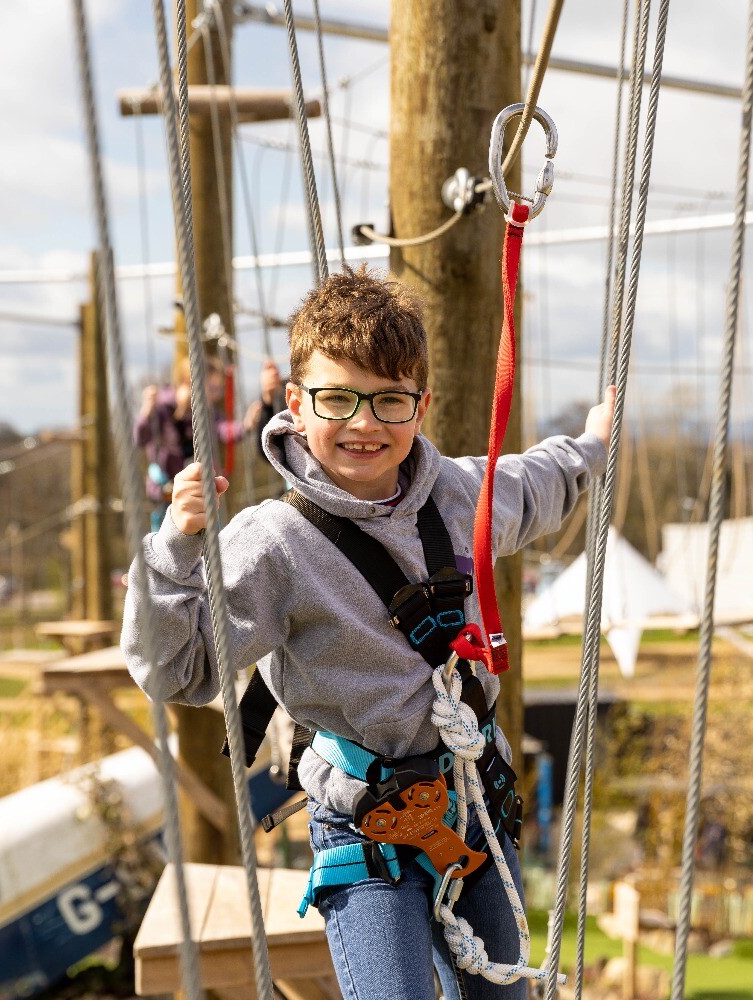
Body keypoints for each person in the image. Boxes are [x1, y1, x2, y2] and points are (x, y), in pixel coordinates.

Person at [122, 266, 614, 1000]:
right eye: (338, 399)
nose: (364, 423)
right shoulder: (274, 546)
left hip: (474, 801)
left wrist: (595, 445)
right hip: (367, 824)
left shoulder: (456, 495)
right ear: (295, 403)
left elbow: (539, 483)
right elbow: (178, 670)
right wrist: (173, 549)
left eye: (390, 401)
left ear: (422, 405)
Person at [133, 356, 273, 530]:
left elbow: (223, 429)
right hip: (166, 491)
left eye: (218, 390)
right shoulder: (162, 408)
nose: (215, 396)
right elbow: (140, 438)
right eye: (212, 389)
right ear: (191, 383)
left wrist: (246, 426)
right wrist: (146, 413)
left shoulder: (207, 413)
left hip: (196, 492)